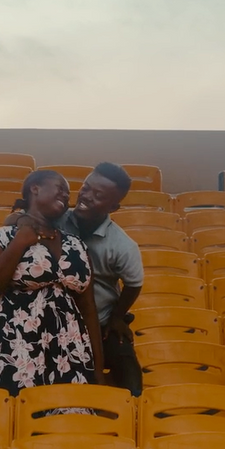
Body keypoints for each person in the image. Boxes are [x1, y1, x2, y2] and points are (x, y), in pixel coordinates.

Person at [0, 169, 104, 394]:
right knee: (12, 418)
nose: (65, 196)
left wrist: (98, 371)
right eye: (60, 188)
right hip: (13, 344)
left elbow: (89, 309)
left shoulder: (77, 245)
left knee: (67, 418)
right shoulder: (4, 236)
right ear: (35, 188)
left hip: (67, 348)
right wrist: (19, 243)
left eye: (68, 193)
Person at [57, 163, 145, 395]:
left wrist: (117, 317)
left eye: (98, 195)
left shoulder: (123, 245)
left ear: (113, 207)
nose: (86, 196)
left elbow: (134, 284)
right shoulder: (55, 221)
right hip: (55, 320)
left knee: (130, 378)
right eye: (86, 188)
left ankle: (133, 416)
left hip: (102, 322)